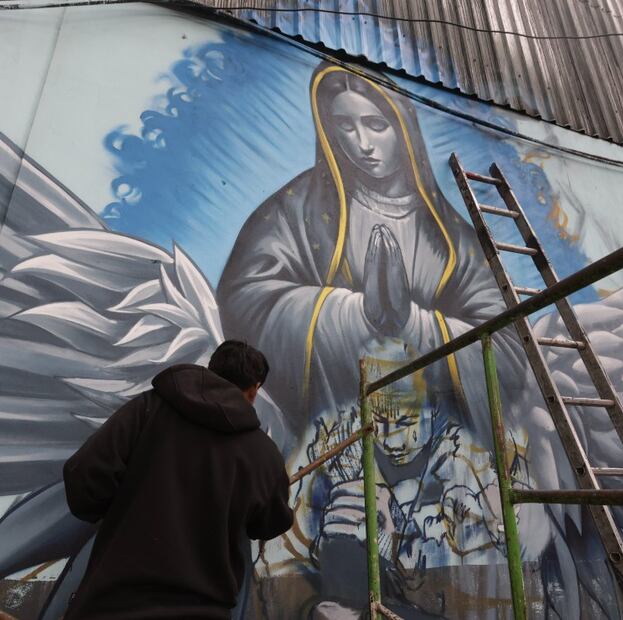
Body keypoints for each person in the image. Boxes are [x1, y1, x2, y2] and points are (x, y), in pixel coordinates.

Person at [216, 62, 528, 616]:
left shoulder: (450, 237)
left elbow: (505, 351)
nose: (361, 144)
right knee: (339, 532)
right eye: (344, 127)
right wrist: (350, 312)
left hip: (430, 445)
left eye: (375, 125)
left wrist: (414, 325)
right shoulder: (299, 211)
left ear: (404, 128)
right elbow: (246, 300)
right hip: (335, 429)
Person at [62, 340, 294, 619]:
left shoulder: (148, 409)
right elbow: (272, 522)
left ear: (211, 370)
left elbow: (85, 473)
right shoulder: (262, 453)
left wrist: (116, 511)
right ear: (254, 389)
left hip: (113, 604)